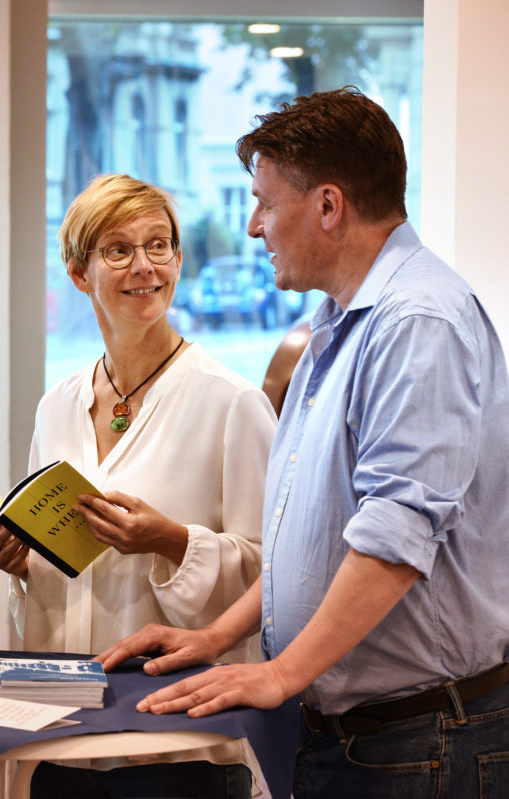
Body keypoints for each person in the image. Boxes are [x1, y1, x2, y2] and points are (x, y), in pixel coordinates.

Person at [96, 87, 509, 799]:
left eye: (264, 202)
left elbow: (395, 534)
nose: (254, 226)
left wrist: (282, 671)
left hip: (420, 737)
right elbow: (312, 537)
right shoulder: (336, 323)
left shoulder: (418, 321)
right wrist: (213, 634)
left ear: (327, 205)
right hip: (359, 734)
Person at [0, 174, 275, 797]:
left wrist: (171, 541)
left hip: (177, 740)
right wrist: (21, 560)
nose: (145, 266)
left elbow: (279, 572)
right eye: (118, 250)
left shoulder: (231, 402)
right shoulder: (57, 406)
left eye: (158, 245)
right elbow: (57, 559)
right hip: (62, 728)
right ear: (80, 273)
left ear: (179, 259)